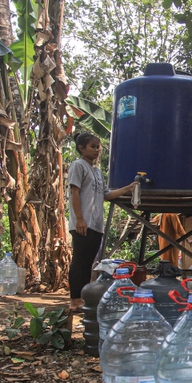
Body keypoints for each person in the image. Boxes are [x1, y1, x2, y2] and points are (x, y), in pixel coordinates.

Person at [68, 133, 136, 313]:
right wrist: (80, 219)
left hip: (96, 224)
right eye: (93, 146)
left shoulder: (97, 171)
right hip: (83, 222)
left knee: (89, 262)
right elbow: (75, 193)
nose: (97, 150)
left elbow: (107, 194)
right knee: (79, 261)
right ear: (81, 148)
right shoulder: (78, 166)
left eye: (98, 147)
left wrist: (128, 188)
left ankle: (83, 297)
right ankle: (75, 299)